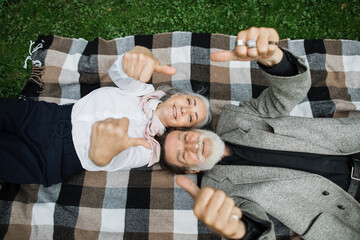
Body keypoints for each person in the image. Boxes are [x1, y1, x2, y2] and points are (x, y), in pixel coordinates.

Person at [157, 27, 360, 239]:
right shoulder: (219, 192)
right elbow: (253, 225)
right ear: (191, 171)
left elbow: (282, 98)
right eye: (183, 154)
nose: (193, 145)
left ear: (195, 130)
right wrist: (241, 232)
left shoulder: (236, 117)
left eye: (185, 137)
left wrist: (275, 60)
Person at [0, 46, 212, 186]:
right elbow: (119, 73)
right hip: (49, 114)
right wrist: (133, 58)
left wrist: (102, 154)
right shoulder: (144, 90)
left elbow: (110, 160)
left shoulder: (149, 149)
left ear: (181, 129)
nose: (185, 110)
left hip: (55, 158)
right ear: (180, 96)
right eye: (189, 102)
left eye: (191, 118)